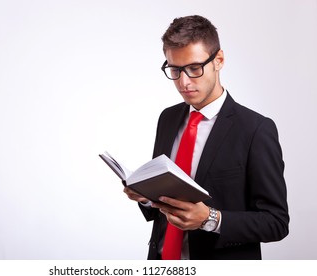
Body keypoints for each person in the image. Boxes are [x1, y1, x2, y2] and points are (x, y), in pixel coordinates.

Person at [123, 15, 289, 260]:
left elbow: (276, 222)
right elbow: (164, 206)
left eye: (194, 68)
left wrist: (211, 219)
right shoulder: (167, 119)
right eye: (175, 70)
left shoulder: (256, 129)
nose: (184, 82)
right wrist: (146, 197)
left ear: (218, 60)